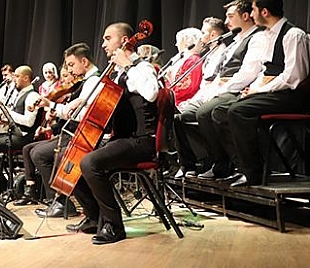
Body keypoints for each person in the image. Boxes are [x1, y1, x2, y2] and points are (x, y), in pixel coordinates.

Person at [67, 22, 159, 244]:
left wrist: (128, 66)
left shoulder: (141, 68)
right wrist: (82, 100)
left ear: (125, 40)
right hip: (121, 139)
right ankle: (94, 216)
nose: (103, 44)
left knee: (89, 163)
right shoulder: (114, 74)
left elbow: (152, 94)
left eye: (108, 38)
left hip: (141, 140)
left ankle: (114, 225)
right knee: (69, 160)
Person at [220, 0, 309, 187]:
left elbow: (293, 76)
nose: (251, 15)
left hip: (291, 95)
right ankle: (242, 166)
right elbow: (265, 70)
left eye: (253, 10)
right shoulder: (268, 35)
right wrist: (253, 88)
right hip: (273, 91)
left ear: (265, 12)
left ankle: (253, 173)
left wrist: (260, 91)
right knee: (224, 109)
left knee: (238, 111)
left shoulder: (293, 35)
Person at [172, 0, 262, 178]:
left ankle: (226, 164)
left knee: (206, 113)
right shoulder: (235, 41)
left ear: (245, 16)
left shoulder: (256, 38)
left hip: (239, 90)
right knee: (179, 116)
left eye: (230, 16)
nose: (227, 22)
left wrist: (218, 91)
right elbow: (219, 75)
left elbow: (247, 73)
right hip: (222, 89)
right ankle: (194, 163)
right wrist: (207, 93)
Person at [16, 43, 101, 219]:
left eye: (70, 65)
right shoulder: (85, 82)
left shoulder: (92, 81)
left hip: (81, 135)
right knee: (36, 151)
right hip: (71, 132)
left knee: (42, 154)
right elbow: (71, 111)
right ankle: (60, 201)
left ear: (84, 61)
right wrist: (54, 106)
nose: (69, 72)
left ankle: (63, 202)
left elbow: (81, 115)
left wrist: (56, 107)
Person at [0, 65, 41, 194]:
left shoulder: (32, 96)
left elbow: (29, 122)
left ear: (26, 78)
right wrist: (6, 118)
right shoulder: (19, 94)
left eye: (17, 76)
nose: (14, 79)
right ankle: (1, 180)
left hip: (24, 136)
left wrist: (9, 114)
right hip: (15, 133)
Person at [169, 27, 203, 108]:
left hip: (182, 101)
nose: (176, 44)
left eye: (178, 41)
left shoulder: (193, 60)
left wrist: (169, 94)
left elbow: (188, 87)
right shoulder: (182, 59)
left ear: (186, 42)